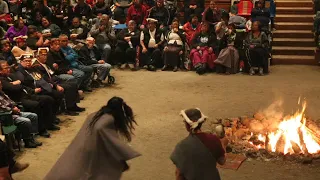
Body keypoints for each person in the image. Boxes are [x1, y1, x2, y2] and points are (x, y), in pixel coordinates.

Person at [44, 97, 141, 180]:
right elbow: (109, 139)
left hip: (85, 144)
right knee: (90, 173)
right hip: (94, 148)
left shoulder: (96, 114)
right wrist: (123, 157)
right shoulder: (107, 120)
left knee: (82, 170)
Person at [170, 108, 226, 180]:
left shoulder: (182, 146)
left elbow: (179, 175)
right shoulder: (213, 139)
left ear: (187, 125)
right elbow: (222, 161)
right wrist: (223, 144)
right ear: (201, 123)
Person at [33, 48, 85, 114]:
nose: (45, 57)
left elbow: (52, 73)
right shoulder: (36, 66)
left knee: (73, 84)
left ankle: (74, 105)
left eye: (46, 55)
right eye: (43, 55)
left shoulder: (45, 64)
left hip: (55, 80)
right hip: (49, 84)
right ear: (37, 57)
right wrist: (56, 85)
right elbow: (45, 78)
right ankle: (68, 108)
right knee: (68, 87)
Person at [0, 81, 42, 148]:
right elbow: (2, 109)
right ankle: (27, 141)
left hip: (15, 112)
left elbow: (11, 102)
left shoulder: (2, 93)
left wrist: (15, 107)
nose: (1, 87)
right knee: (26, 121)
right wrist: (12, 109)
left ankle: (32, 137)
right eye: (0, 85)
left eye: (1, 85)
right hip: (8, 117)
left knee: (33, 116)